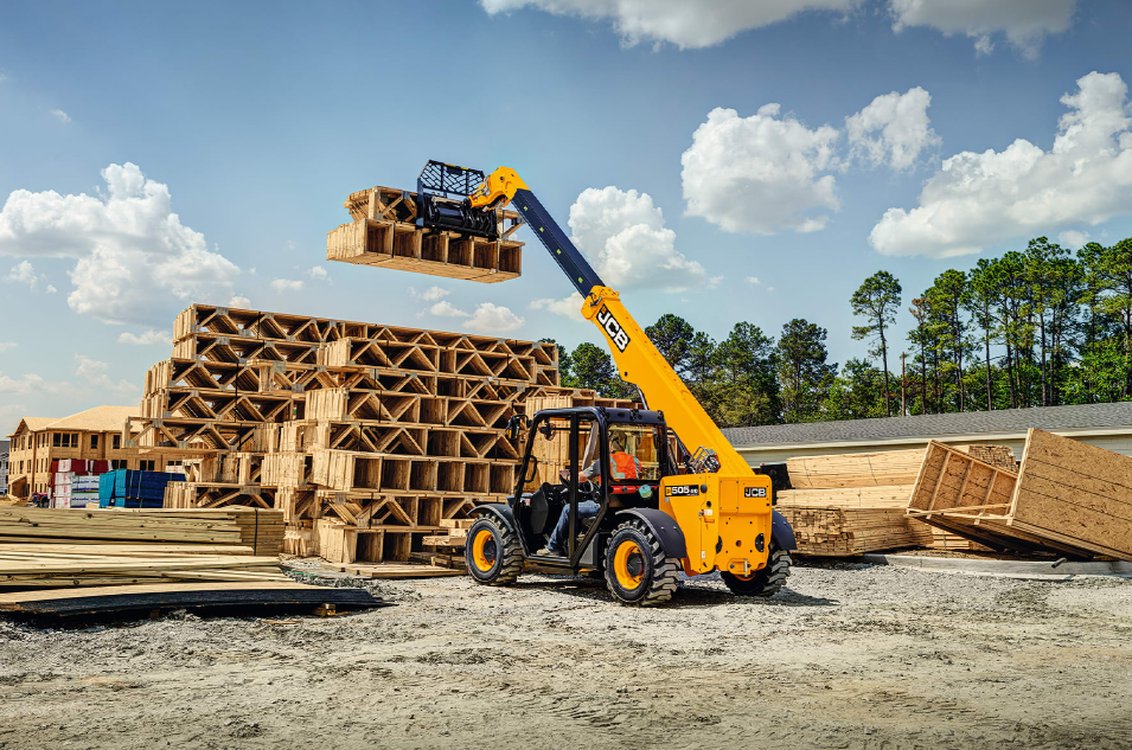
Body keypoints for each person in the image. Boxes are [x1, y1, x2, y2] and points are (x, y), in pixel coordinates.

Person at [537, 436, 641, 556]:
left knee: (567, 509)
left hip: (605, 505)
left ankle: (553, 547)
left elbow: (581, 477)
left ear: (611, 445)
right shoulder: (635, 461)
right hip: (628, 503)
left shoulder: (604, 461)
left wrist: (567, 476)